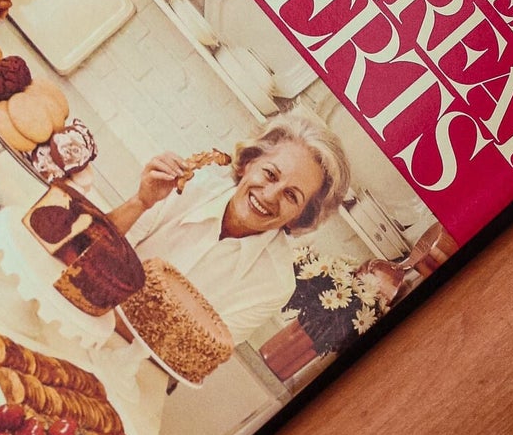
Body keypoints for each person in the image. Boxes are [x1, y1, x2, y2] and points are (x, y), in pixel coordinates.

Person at [105, 111, 352, 347]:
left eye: (291, 195)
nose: (269, 195)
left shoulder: (275, 285)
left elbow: (191, 354)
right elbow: (91, 248)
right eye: (270, 174)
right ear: (248, 162)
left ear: (299, 218)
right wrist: (141, 202)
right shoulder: (183, 187)